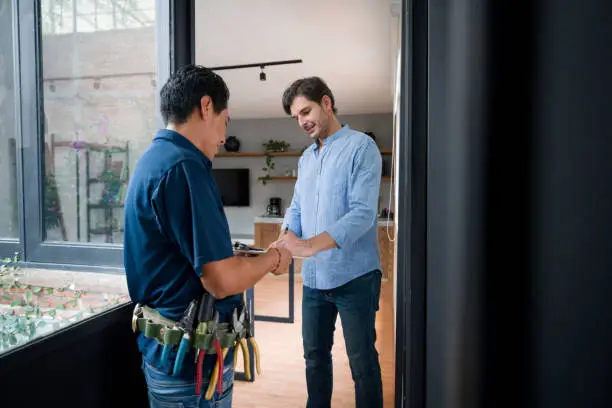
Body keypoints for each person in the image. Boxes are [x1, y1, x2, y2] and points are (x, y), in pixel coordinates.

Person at [123, 65, 292, 408]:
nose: (223, 137)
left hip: (168, 358)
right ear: (205, 107)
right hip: (192, 372)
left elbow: (182, 260)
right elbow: (221, 281)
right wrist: (274, 258)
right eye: (225, 121)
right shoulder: (185, 168)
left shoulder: (154, 160)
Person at [270, 77, 384, 408]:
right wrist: (284, 238)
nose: (302, 121)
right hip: (315, 280)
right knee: (315, 358)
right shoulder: (306, 158)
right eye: (296, 117)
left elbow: (363, 214)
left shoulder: (362, 147)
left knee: (362, 364)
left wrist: (307, 247)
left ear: (327, 103)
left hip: (356, 277)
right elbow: (297, 207)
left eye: (306, 111)